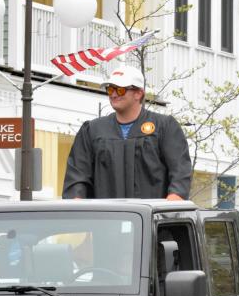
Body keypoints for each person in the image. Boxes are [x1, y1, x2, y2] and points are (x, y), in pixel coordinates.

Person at [62, 65, 192, 201]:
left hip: (150, 218)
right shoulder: (92, 131)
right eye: (110, 89)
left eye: (120, 89)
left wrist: (173, 200)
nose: (113, 94)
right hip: (106, 217)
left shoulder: (164, 127)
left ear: (138, 93)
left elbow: (180, 172)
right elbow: (77, 177)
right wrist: (76, 202)